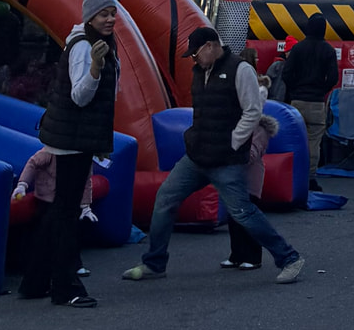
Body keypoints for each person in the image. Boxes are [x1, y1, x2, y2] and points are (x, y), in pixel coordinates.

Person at [124, 29, 304, 283]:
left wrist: (233, 142)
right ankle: (154, 262)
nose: (194, 59)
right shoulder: (201, 71)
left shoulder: (240, 70)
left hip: (225, 159)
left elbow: (252, 111)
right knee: (165, 198)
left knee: (243, 212)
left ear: (210, 46)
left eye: (195, 54)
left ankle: (289, 258)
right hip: (197, 155)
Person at [21, 0, 121, 307]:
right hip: (71, 140)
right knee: (66, 212)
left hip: (78, 137)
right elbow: (80, 96)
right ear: (90, 17)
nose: (110, 19)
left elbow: (106, 97)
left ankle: (35, 281)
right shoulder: (83, 46)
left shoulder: (100, 42)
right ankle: (66, 287)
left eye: (112, 13)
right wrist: (95, 68)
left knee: (60, 211)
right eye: (103, 14)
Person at [280, 14, 341, 187]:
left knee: (295, 139)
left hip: (297, 101)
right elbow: (333, 78)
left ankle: (293, 175)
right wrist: (322, 90)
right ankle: (310, 177)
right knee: (314, 141)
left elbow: (286, 73)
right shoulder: (328, 50)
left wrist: (294, 90)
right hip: (316, 102)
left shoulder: (298, 48)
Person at [223, 108, 276, 269]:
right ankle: (237, 255)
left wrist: (230, 150)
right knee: (233, 219)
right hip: (234, 178)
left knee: (248, 219)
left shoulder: (259, 129)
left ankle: (253, 256)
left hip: (249, 179)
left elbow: (252, 154)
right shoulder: (237, 124)